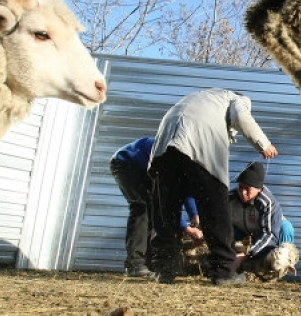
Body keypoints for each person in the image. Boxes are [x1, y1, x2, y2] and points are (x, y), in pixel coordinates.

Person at [148, 88, 278, 285]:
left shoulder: (202, 97)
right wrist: (263, 144)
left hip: (166, 137)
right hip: (200, 135)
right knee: (215, 207)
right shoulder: (237, 99)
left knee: (166, 208)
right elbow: (241, 117)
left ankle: (164, 269)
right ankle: (224, 271)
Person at [110, 137, 202, 279]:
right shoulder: (175, 158)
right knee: (143, 207)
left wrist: (195, 216)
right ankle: (135, 264)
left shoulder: (196, 163)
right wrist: (186, 228)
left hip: (147, 169)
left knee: (154, 212)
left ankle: (149, 263)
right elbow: (165, 201)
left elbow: (187, 190)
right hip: (127, 163)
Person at [228, 161, 295, 276]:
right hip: (245, 235)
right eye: (240, 187)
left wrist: (245, 255)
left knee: (285, 227)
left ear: (259, 189)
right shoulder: (231, 197)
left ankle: (277, 270)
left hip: (267, 241)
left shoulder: (268, 203)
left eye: (247, 189)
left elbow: (270, 236)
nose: (242, 192)